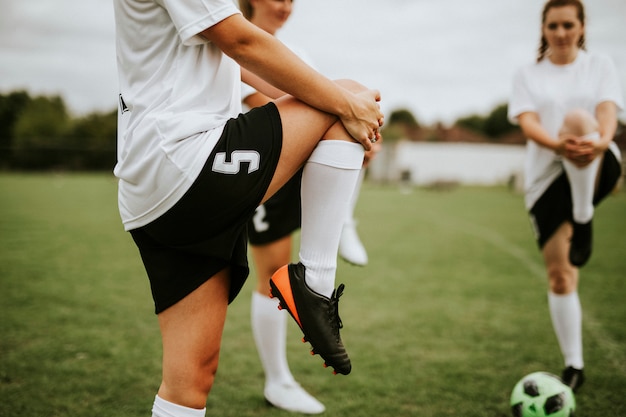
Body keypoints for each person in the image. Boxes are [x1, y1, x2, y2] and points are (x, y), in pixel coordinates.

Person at [112, 0, 384, 416]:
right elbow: (239, 41)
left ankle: (321, 270)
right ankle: (316, 284)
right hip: (185, 160)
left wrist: (348, 121)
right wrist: (347, 106)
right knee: (346, 90)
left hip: (154, 188)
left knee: (189, 381)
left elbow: (237, 63)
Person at [238, 0, 379, 413]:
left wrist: (355, 129)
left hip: (296, 164)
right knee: (270, 277)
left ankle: (344, 222)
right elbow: (263, 102)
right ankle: (277, 380)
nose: (284, 4)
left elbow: (323, 102)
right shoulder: (237, 42)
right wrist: (338, 114)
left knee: (354, 125)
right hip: (258, 164)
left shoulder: (295, 54)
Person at [508, 0, 623, 392]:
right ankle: (574, 366)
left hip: (597, 163)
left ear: (582, 26)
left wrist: (601, 142)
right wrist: (560, 147)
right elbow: (528, 123)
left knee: (577, 117)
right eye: (553, 25)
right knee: (560, 276)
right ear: (544, 29)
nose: (560, 33)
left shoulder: (599, 65)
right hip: (547, 178)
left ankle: (583, 215)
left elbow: (607, 112)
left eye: (568, 25)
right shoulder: (527, 74)